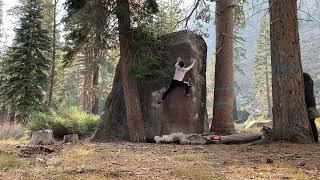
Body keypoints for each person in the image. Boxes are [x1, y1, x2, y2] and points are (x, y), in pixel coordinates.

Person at [303, 72, 319, 142]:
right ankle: (315, 138)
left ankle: (315, 139)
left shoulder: (306, 84)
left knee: (311, 123)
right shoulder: (310, 82)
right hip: (312, 105)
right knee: (312, 123)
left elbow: (307, 96)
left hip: (309, 106)